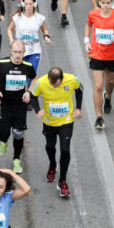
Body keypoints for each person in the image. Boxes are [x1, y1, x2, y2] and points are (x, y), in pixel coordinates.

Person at [31, 66, 82, 199]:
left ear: (62, 78)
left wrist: (78, 108)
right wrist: (37, 110)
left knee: (65, 150)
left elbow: (79, 90)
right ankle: (53, 165)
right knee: (50, 147)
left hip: (66, 121)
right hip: (49, 122)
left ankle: (62, 181)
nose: (53, 86)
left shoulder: (72, 79)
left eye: (56, 83)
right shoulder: (41, 82)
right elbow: (33, 96)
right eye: (51, 83)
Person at [84, 0, 114, 130]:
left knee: (109, 82)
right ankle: (99, 117)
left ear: (112, 2)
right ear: (99, 2)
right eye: (103, 3)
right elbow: (88, 25)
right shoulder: (93, 14)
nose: (105, 6)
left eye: (108, 3)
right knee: (97, 86)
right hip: (96, 54)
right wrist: (86, 41)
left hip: (113, 55)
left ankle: (108, 97)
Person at [0, 40, 36, 175]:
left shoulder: (28, 66)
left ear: (24, 53)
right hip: (3, 104)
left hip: (19, 106)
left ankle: (16, 159)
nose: (17, 55)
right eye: (15, 52)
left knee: (18, 133)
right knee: (3, 132)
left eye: (20, 52)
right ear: (10, 51)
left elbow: (34, 78)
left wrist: (29, 91)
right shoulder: (1, 63)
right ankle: (3, 141)